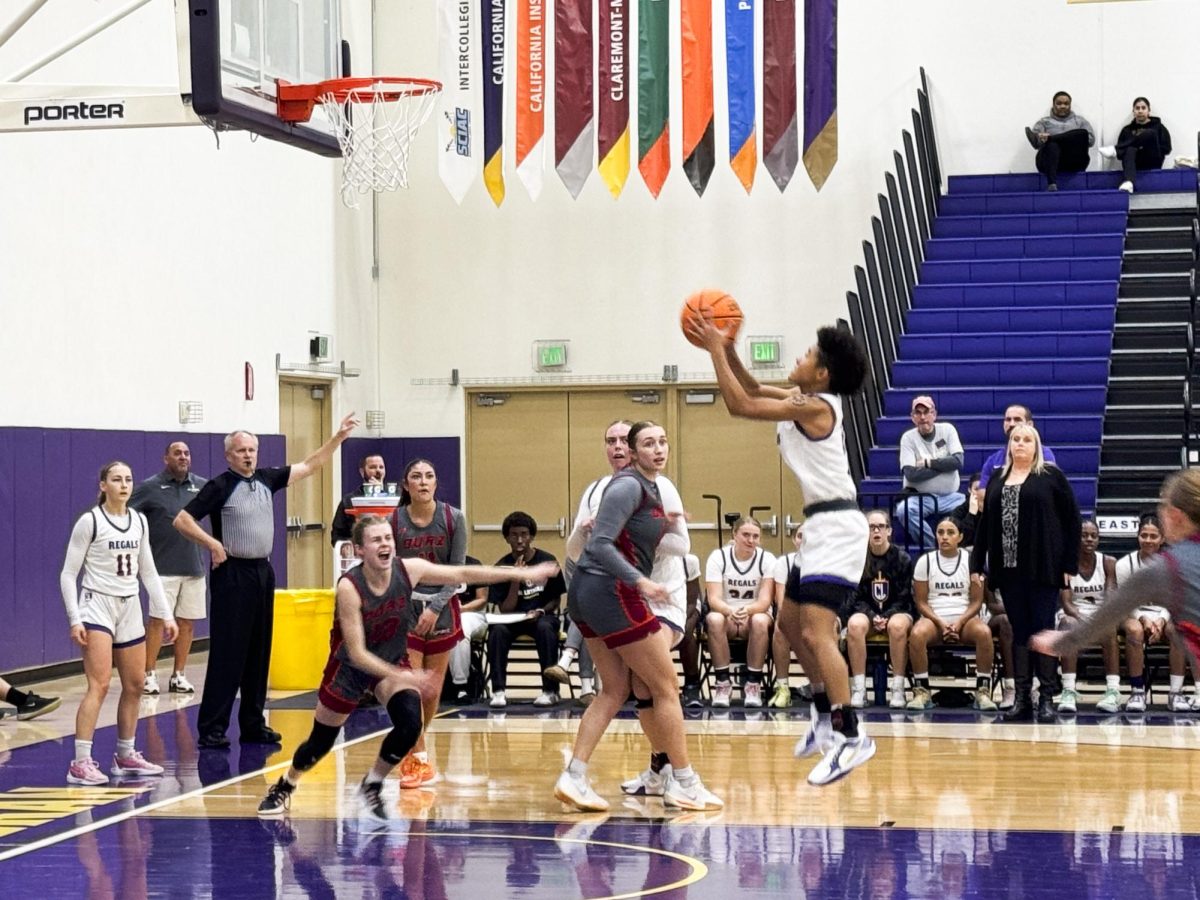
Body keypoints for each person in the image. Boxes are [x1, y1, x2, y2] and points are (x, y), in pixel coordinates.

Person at [257, 515, 560, 818]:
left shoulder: (408, 570)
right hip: (350, 668)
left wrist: (521, 574)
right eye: (376, 540)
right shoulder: (350, 587)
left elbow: (461, 572)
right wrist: (407, 674)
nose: (385, 543)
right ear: (360, 550)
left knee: (410, 723)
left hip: (391, 662)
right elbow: (358, 652)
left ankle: (373, 783)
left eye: (388, 537)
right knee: (319, 744)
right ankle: (286, 784)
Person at [690, 318, 874, 786]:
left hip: (837, 525)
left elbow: (739, 404)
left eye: (809, 355)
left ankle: (851, 735)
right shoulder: (802, 400)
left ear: (823, 374)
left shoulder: (816, 408)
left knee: (816, 633)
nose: (799, 357)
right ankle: (819, 713)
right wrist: (729, 348)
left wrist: (711, 348)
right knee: (789, 625)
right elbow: (751, 384)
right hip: (820, 525)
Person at [555, 420, 721, 812]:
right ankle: (683, 781)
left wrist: (667, 522)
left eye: (663, 441)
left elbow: (656, 538)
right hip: (613, 592)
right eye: (648, 443)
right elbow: (596, 546)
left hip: (593, 594)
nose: (659, 449)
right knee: (666, 687)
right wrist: (640, 582)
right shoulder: (628, 485)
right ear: (632, 451)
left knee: (614, 689)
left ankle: (574, 776)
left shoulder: (648, 488)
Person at [174, 414, 358, 749]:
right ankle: (213, 727)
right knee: (229, 652)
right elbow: (183, 519)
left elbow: (310, 465)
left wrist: (338, 438)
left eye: (252, 449)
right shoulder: (219, 486)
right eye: (241, 450)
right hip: (232, 573)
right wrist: (212, 544)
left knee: (259, 651)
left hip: (262, 572)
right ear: (229, 455)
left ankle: (253, 723)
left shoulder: (266, 479)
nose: (248, 455)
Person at [1034, 470, 1200, 717]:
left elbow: (1108, 615)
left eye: (1162, 505)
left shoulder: (1166, 568)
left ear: (1175, 515)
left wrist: (1061, 642)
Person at [60, 461, 178, 784]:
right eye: (116, 479)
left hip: (129, 606)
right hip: (96, 604)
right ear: (103, 486)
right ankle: (80, 762)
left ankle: (125, 755)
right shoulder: (90, 522)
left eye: (128, 479)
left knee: (136, 684)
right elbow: (68, 573)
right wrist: (75, 618)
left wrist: (165, 613)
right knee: (99, 684)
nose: (124, 485)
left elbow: (149, 572)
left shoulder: (139, 521)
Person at [969, 423, 1080, 723]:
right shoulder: (996, 478)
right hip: (1008, 570)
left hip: (1043, 568)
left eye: (1026, 440)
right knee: (1019, 632)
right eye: (1015, 439)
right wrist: (977, 564)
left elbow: (1073, 520)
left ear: (1036, 446)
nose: (1020, 444)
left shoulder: (1051, 476)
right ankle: (1021, 698)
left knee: (1042, 630)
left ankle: (1046, 699)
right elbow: (985, 524)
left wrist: (1070, 565)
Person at [389, 458, 467, 789]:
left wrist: (435, 607)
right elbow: (389, 569)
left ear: (436, 483)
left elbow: (458, 570)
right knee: (409, 687)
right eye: (416, 477)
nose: (423, 481)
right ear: (406, 485)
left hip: (442, 610)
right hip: (405, 609)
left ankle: (417, 745)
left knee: (431, 690)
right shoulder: (394, 521)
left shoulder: (453, 518)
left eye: (429, 476)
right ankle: (418, 757)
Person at [555, 420, 633, 704]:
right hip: (600, 572)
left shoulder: (655, 485)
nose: (617, 447)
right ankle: (586, 683)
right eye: (611, 441)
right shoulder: (596, 488)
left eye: (624, 440)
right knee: (585, 603)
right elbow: (573, 551)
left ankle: (567, 658)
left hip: (638, 582)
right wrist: (584, 529)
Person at [129, 440, 207, 696]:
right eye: (177, 453)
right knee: (157, 622)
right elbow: (128, 517)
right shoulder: (150, 487)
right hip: (162, 568)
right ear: (166, 458)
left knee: (186, 623)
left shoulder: (201, 485)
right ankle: (149, 674)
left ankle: (179, 675)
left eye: (186, 453)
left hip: (193, 566)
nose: (183, 457)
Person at [907, 518, 997, 712]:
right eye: (940, 532)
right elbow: (921, 602)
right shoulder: (925, 561)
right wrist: (940, 623)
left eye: (950, 532)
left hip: (964, 617)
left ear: (960, 537)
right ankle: (922, 691)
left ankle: (982, 691)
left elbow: (976, 601)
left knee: (984, 633)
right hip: (934, 617)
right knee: (916, 634)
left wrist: (959, 623)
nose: (944, 537)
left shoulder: (972, 560)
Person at [486, 512, 568, 708]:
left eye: (524, 534)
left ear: (531, 536)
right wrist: (516, 579)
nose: (520, 539)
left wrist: (540, 610)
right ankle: (498, 691)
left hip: (542, 616)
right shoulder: (502, 567)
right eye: (514, 535)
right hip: (513, 618)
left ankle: (550, 691)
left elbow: (555, 600)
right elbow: (505, 609)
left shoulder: (547, 560)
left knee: (545, 628)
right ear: (507, 538)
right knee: (497, 631)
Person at [1115, 513, 1195, 711]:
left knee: (1178, 630)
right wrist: (1142, 618)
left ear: (1162, 539)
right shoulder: (1124, 564)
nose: (1148, 540)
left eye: (1153, 536)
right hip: (1133, 613)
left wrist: (1160, 620)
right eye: (1144, 535)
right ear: (1138, 536)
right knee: (1134, 631)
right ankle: (1137, 693)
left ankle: (1176, 693)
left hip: (1164, 613)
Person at [842, 510, 914, 709]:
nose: (876, 531)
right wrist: (874, 616)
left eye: (880, 527)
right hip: (868, 614)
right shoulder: (858, 559)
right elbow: (856, 597)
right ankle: (859, 689)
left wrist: (888, 616)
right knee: (855, 625)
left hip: (897, 612)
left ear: (889, 530)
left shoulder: (902, 559)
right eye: (870, 527)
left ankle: (898, 688)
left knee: (898, 626)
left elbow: (904, 597)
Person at [704, 517, 776, 708]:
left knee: (760, 620)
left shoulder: (767, 559)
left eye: (755, 536)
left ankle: (753, 685)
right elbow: (713, 599)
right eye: (745, 535)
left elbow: (764, 601)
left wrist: (747, 610)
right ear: (734, 535)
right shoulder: (718, 557)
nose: (751, 540)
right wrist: (729, 610)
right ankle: (722, 684)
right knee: (713, 619)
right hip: (727, 615)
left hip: (753, 615)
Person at [1056, 521, 1122, 714]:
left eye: (1094, 536)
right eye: (1084, 535)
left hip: (1101, 614)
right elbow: (1067, 604)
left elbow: (1110, 597)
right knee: (1068, 624)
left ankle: (1113, 690)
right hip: (1074, 614)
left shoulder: (1108, 562)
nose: (1089, 539)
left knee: (1108, 627)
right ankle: (1068, 690)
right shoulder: (1066, 564)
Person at [894, 395, 965, 551]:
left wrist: (928, 463)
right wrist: (944, 465)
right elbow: (911, 474)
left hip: (950, 497)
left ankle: (963, 550)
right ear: (912, 417)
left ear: (934, 414)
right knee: (903, 510)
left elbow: (958, 462)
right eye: (918, 413)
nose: (923, 417)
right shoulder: (908, 438)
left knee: (973, 506)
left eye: (927, 412)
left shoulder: (947, 430)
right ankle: (936, 548)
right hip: (921, 498)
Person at [1025, 91, 1095, 191]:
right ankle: (1052, 184)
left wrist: (1056, 138)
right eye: (1059, 103)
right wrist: (1041, 138)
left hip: (1074, 161)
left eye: (1066, 104)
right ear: (1053, 105)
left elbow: (1091, 141)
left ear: (1070, 105)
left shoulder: (1080, 121)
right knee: (1052, 146)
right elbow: (1036, 143)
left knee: (1081, 133)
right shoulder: (1044, 122)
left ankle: (1051, 138)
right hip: (1049, 162)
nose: (1063, 106)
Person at [1100, 97, 1172, 194]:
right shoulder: (1127, 130)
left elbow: (1167, 148)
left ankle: (1115, 150)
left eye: (1143, 108)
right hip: (1135, 162)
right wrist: (1137, 146)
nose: (1140, 111)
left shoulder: (1158, 127)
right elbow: (1122, 156)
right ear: (1133, 111)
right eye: (1137, 108)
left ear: (1149, 111)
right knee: (1130, 149)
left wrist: (1148, 144)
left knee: (1150, 134)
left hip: (1153, 159)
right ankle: (1129, 182)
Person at [977, 406, 1057, 491]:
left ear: (1030, 424)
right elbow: (983, 494)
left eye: (1017, 419)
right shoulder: (992, 461)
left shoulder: (1044, 454)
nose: (1012, 424)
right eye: (1008, 419)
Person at [769, 523, 804, 709]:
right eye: (800, 536)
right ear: (794, 539)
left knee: (827, 628)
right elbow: (781, 603)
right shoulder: (785, 562)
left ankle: (825, 688)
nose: (804, 541)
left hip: (821, 616)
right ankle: (783, 687)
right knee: (781, 627)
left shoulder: (827, 562)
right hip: (794, 615)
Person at [446, 557, 489, 703]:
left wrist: (459, 609)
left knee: (459, 628)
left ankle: (461, 686)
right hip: (438, 613)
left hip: (470, 613)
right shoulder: (434, 562)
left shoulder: (474, 564)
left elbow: (482, 599)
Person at [330, 453, 387, 545]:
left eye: (381, 467)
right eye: (372, 467)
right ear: (362, 471)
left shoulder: (397, 497)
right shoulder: (348, 500)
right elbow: (337, 535)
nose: (378, 471)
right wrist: (346, 546)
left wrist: (380, 492)